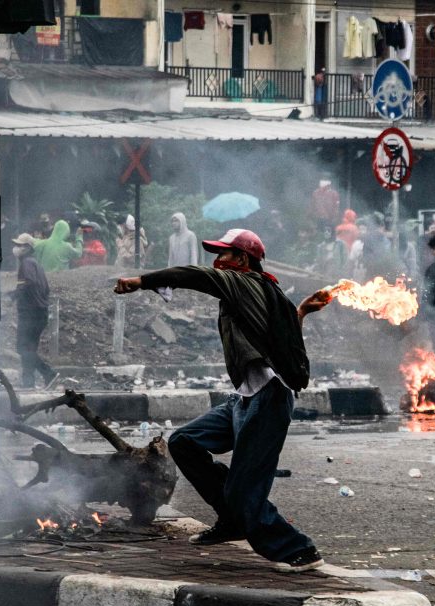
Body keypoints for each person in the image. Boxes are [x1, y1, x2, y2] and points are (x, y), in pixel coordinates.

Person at [113, 229, 330, 571]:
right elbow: (279, 338)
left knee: (246, 491)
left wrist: (141, 281)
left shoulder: (242, 282)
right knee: (184, 442)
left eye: (224, 254)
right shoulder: (262, 292)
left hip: (268, 400)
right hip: (243, 399)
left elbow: (192, 276)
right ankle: (231, 519)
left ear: (243, 260)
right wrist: (300, 312)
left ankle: (297, 549)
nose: (217, 261)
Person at [11, 233, 59, 390]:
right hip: (39, 313)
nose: (16, 248)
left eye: (20, 245)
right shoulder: (36, 264)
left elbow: (28, 284)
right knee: (29, 349)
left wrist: (15, 296)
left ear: (28, 248)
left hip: (30, 314)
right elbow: (46, 289)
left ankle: (48, 373)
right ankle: (28, 382)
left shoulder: (27, 264)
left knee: (22, 348)